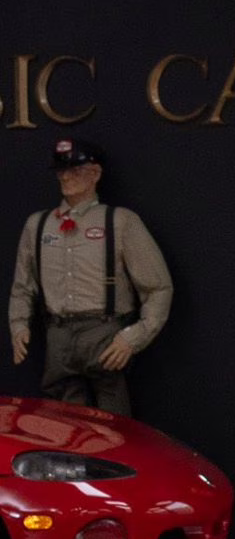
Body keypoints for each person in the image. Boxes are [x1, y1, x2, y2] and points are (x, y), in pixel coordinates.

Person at [8, 139, 174, 417]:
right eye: (61, 171)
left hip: (104, 334)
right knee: (64, 420)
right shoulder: (38, 225)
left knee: (114, 420)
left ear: (95, 173)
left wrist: (133, 337)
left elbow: (158, 287)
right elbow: (23, 286)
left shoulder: (120, 222)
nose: (66, 177)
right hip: (58, 334)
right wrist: (18, 325)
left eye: (75, 170)